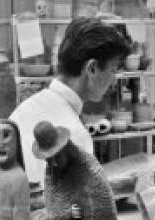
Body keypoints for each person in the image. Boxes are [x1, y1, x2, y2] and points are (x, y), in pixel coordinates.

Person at [10, 16, 130, 186]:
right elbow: (77, 209)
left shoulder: (26, 109)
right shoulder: (72, 134)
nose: (114, 79)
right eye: (113, 70)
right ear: (92, 69)